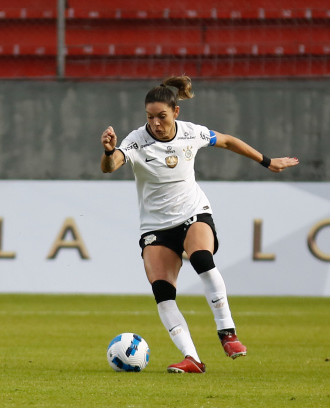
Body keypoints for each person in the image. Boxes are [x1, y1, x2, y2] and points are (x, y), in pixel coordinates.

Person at [100, 76, 299, 373]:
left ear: (176, 113)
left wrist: (267, 161)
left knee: (202, 258)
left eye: (162, 116)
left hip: (193, 212)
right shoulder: (136, 139)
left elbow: (229, 140)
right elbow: (111, 165)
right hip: (156, 226)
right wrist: (107, 151)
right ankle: (192, 358)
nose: (155, 123)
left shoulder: (192, 133)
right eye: (150, 117)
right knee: (163, 293)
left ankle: (228, 333)